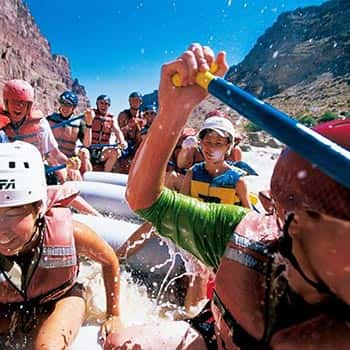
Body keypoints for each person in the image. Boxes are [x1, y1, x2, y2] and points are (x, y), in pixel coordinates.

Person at [117, 44, 350, 349]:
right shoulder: (241, 233)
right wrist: (174, 109)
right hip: (220, 334)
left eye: (219, 141)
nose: (213, 146)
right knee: (120, 341)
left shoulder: (238, 181)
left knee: (201, 274)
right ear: (298, 223)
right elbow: (145, 199)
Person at [0, 141, 121, 349]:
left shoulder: (72, 233)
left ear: (39, 207)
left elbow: (109, 260)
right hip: (10, 305)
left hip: (61, 296)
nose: (1, 232)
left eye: (12, 214)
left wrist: (114, 314)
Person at [0, 80, 80, 175]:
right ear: (6, 103)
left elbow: (55, 153)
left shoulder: (41, 124)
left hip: (33, 172)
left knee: (64, 180)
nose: (18, 106)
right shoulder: (2, 127)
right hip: (6, 172)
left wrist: (68, 162)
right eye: (14, 101)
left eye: (23, 103)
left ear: (29, 106)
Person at [180, 116, 252, 208]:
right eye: (207, 142)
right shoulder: (192, 173)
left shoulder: (238, 181)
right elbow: (180, 207)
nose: (211, 148)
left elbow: (249, 215)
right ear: (201, 143)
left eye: (218, 143)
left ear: (228, 146)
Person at [90, 94, 127, 172]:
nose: (103, 106)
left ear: (109, 106)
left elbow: (117, 131)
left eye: (106, 104)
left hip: (102, 151)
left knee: (115, 152)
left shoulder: (112, 118)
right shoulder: (91, 114)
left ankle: (105, 174)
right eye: (101, 103)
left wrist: (122, 141)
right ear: (97, 104)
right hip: (89, 148)